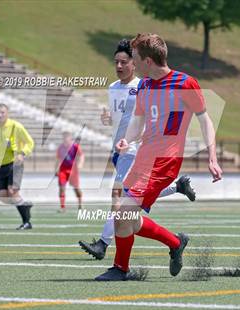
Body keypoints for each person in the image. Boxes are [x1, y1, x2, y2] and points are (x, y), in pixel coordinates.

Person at [95, 33, 222, 281]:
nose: (132, 63)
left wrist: (212, 157)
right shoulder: (144, 85)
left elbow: (205, 119)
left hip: (164, 162)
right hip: (142, 159)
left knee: (122, 214)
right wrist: (128, 140)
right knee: (129, 220)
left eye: (135, 59)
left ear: (148, 62)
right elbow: (139, 119)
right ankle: (175, 243)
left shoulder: (185, 84)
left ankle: (120, 269)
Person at [79, 39, 196, 260]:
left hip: (136, 151)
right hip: (119, 150)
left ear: (136, 63)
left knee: (119, 198)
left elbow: (150, 118)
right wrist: (107, 119)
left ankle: (103, 244)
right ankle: (176, 192)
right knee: (128, 201)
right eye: (116, 62)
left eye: (124, 62)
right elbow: (120, 119)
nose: (119, 66)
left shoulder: (144, 85)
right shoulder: (113, 88)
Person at [0, 103, 35, 230]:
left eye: (3, 112)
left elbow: (30, 142)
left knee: (12, 191)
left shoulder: (16, 126)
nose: (0, 115)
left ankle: (27, 222)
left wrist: (22, 153)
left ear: (7, 113)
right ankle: (24, 205)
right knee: (1, 195)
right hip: (2, 165)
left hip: (15, 163)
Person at [55, 131, 85, 212]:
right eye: (64, 137)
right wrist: (56, 169)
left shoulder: (75, 146)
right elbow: (58, 159)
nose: (65, 139)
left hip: (73, 170)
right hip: (63, 170)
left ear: (70, 138)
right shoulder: (60, 147)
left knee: (76, 189)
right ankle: (62, 207)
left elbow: (81, 155)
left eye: (66, 137)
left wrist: (80, 164)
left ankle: (80, 204)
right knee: (62, 188)